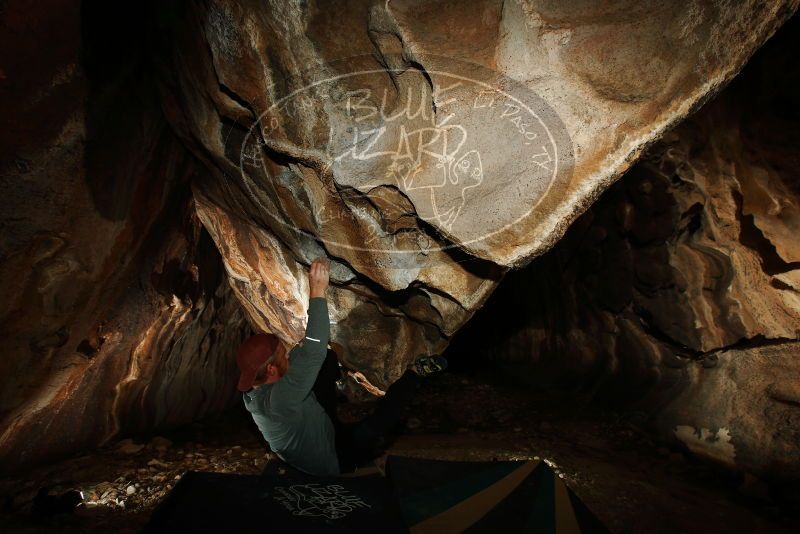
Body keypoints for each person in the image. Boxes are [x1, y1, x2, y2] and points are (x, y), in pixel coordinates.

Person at [236, 256, 447, 476]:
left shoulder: (255, 391)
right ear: (270, 370)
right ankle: (416, 372)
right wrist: (317, 291)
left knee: (324, 359)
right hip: (330, 456)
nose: (287, 356)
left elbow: (303, 354)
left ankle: (337, 379)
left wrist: (307, 352)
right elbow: (312, 350)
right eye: (282, 355)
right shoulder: (281, 399)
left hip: (314, 422)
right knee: (380, 422)